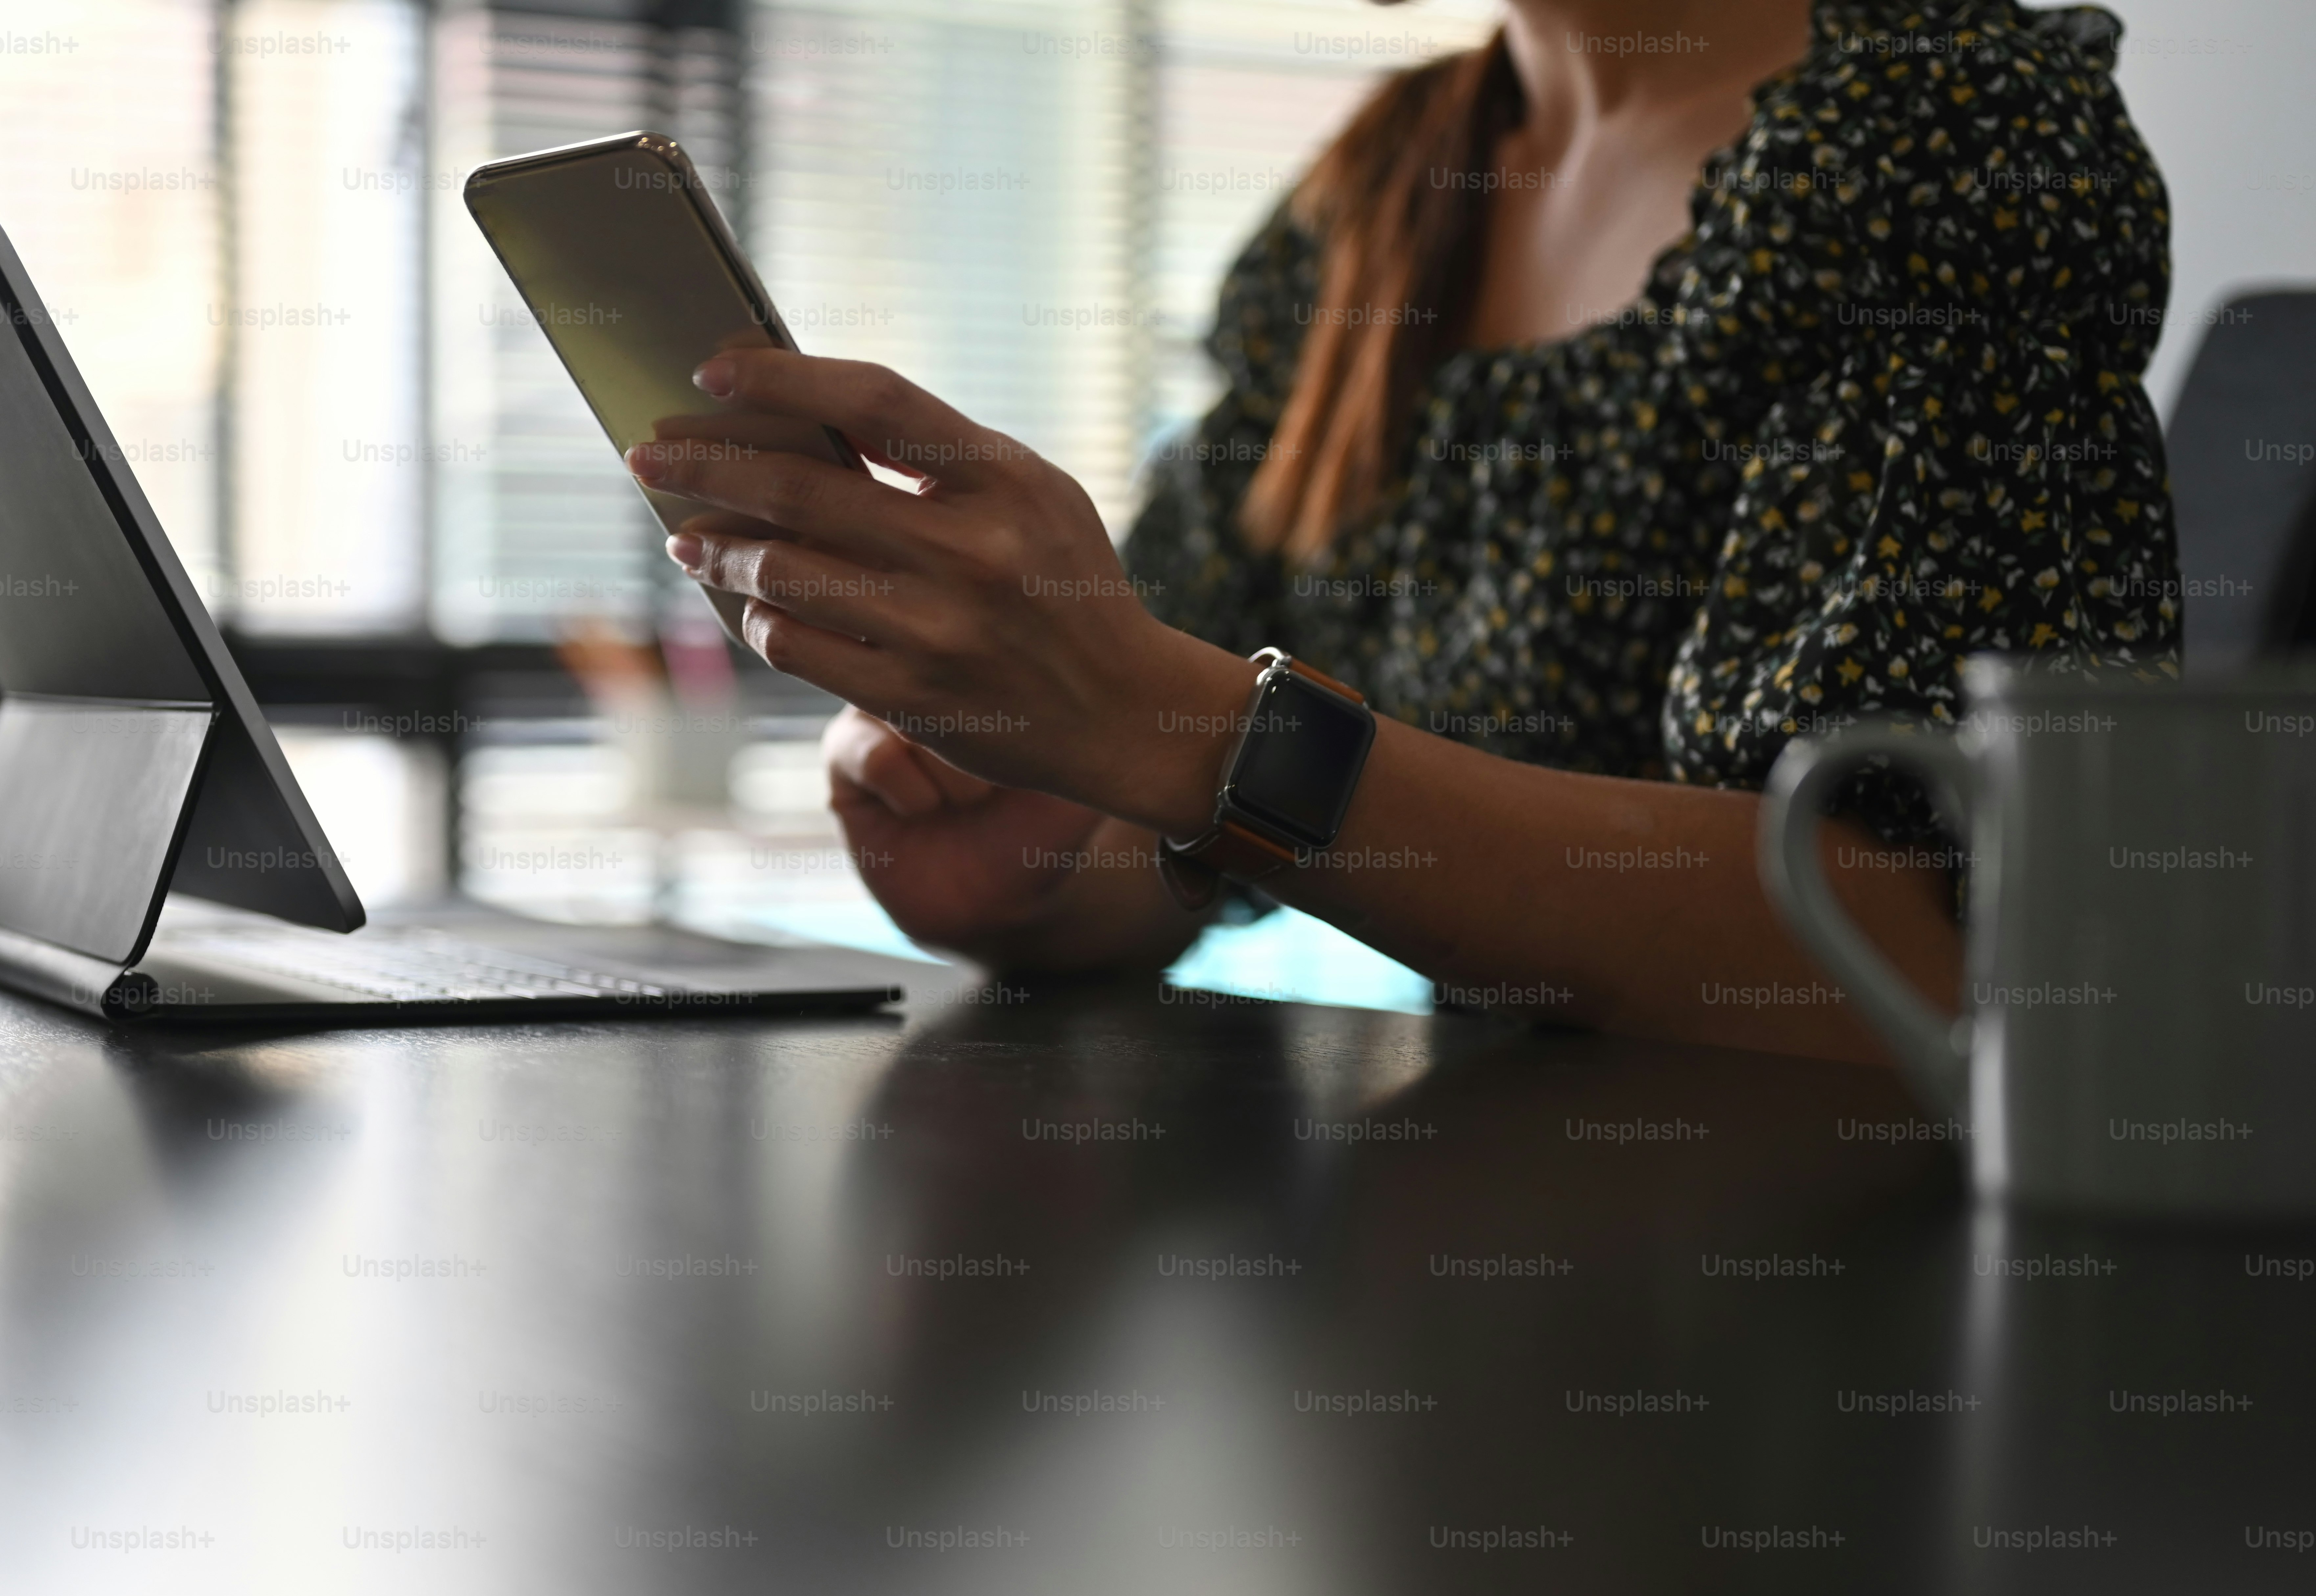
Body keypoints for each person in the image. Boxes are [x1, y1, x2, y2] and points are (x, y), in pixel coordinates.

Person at [622, 0, 2179, 1064]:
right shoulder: (1384, 192)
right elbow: (1186, 788)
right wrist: (1031, 851)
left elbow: (1912, 949)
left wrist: (1188, 739)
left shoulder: (1947, 140)